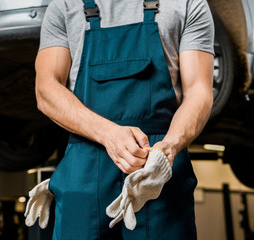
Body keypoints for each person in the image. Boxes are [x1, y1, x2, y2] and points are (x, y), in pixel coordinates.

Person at [26, 0, 214, 239]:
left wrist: (172, 144)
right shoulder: (64, 6)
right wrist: (108, 134)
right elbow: (46, 89)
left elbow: (199, 91)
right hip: (85, 162)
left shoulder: (187, 4)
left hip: (156, 165)